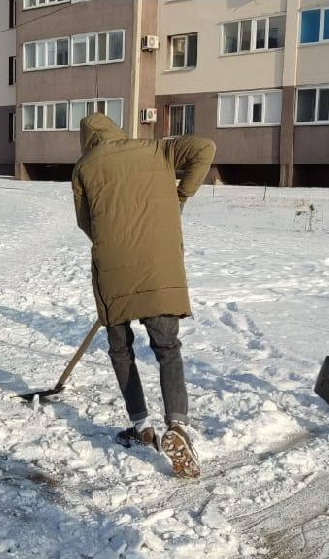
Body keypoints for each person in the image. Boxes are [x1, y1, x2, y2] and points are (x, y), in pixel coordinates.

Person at [72, 113, 216, 479]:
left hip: (113, 269)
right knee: (167, 348)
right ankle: (178, 425)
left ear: (87, 140)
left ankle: (141, 426)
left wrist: (113, 244)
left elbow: (85, 222)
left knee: (121, 350)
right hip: (159, 268)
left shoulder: (85, 167)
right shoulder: (156, 150)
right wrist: (179, 196)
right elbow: (204, 148)